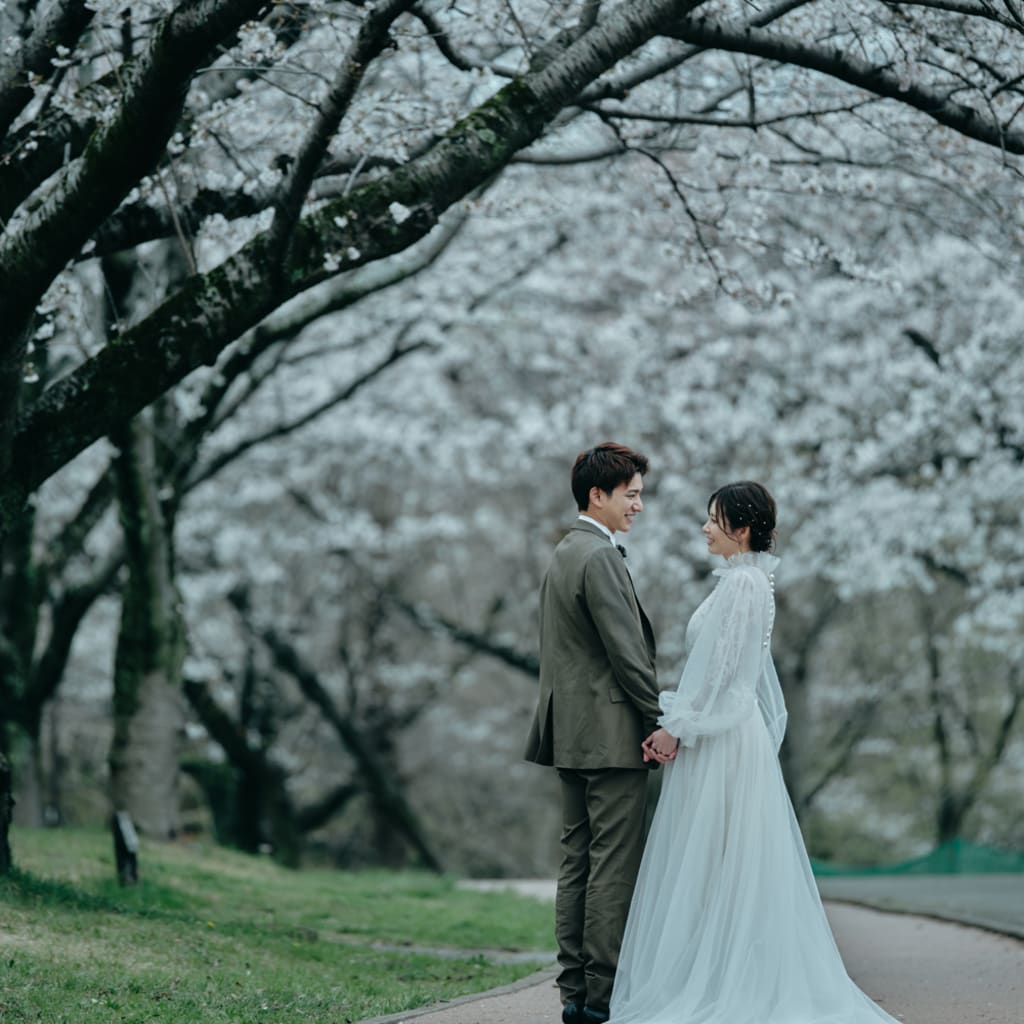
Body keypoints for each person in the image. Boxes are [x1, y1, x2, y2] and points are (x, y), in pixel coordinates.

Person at [609, 481, 902, 1024]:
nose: (703, 528)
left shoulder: (745, 585)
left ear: (740, 530)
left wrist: (679, 727)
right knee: (716, 862)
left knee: (719, 859)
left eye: (713, 519)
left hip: (722, 738)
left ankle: (724, 982)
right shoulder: (742, 581)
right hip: (718, 731)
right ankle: (715, 971)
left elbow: (722, 672)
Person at [525, 443, 671, 1024]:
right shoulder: (600, 556)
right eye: (630, 495)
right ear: (598, 495)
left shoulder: (566, 551)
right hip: (610, 734)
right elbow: (627, 653)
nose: (638, 505)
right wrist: (656, 722)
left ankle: (573, 994)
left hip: (570, 732)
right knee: (613, 864)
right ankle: (601, 996)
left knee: (578, 861)